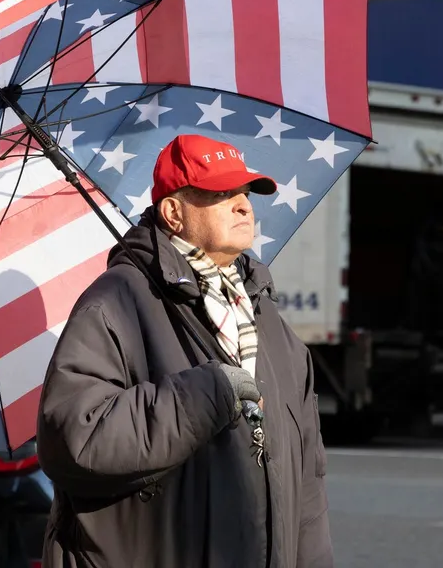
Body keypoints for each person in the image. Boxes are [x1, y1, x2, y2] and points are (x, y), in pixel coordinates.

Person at [36, 133, 332, 568]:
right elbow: (75, 438)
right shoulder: (116, 301)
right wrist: (205, 395)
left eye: (246, 193)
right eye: (221, 194)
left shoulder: (269, 320)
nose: (244, 205)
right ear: (174, 212)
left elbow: (308, 486)